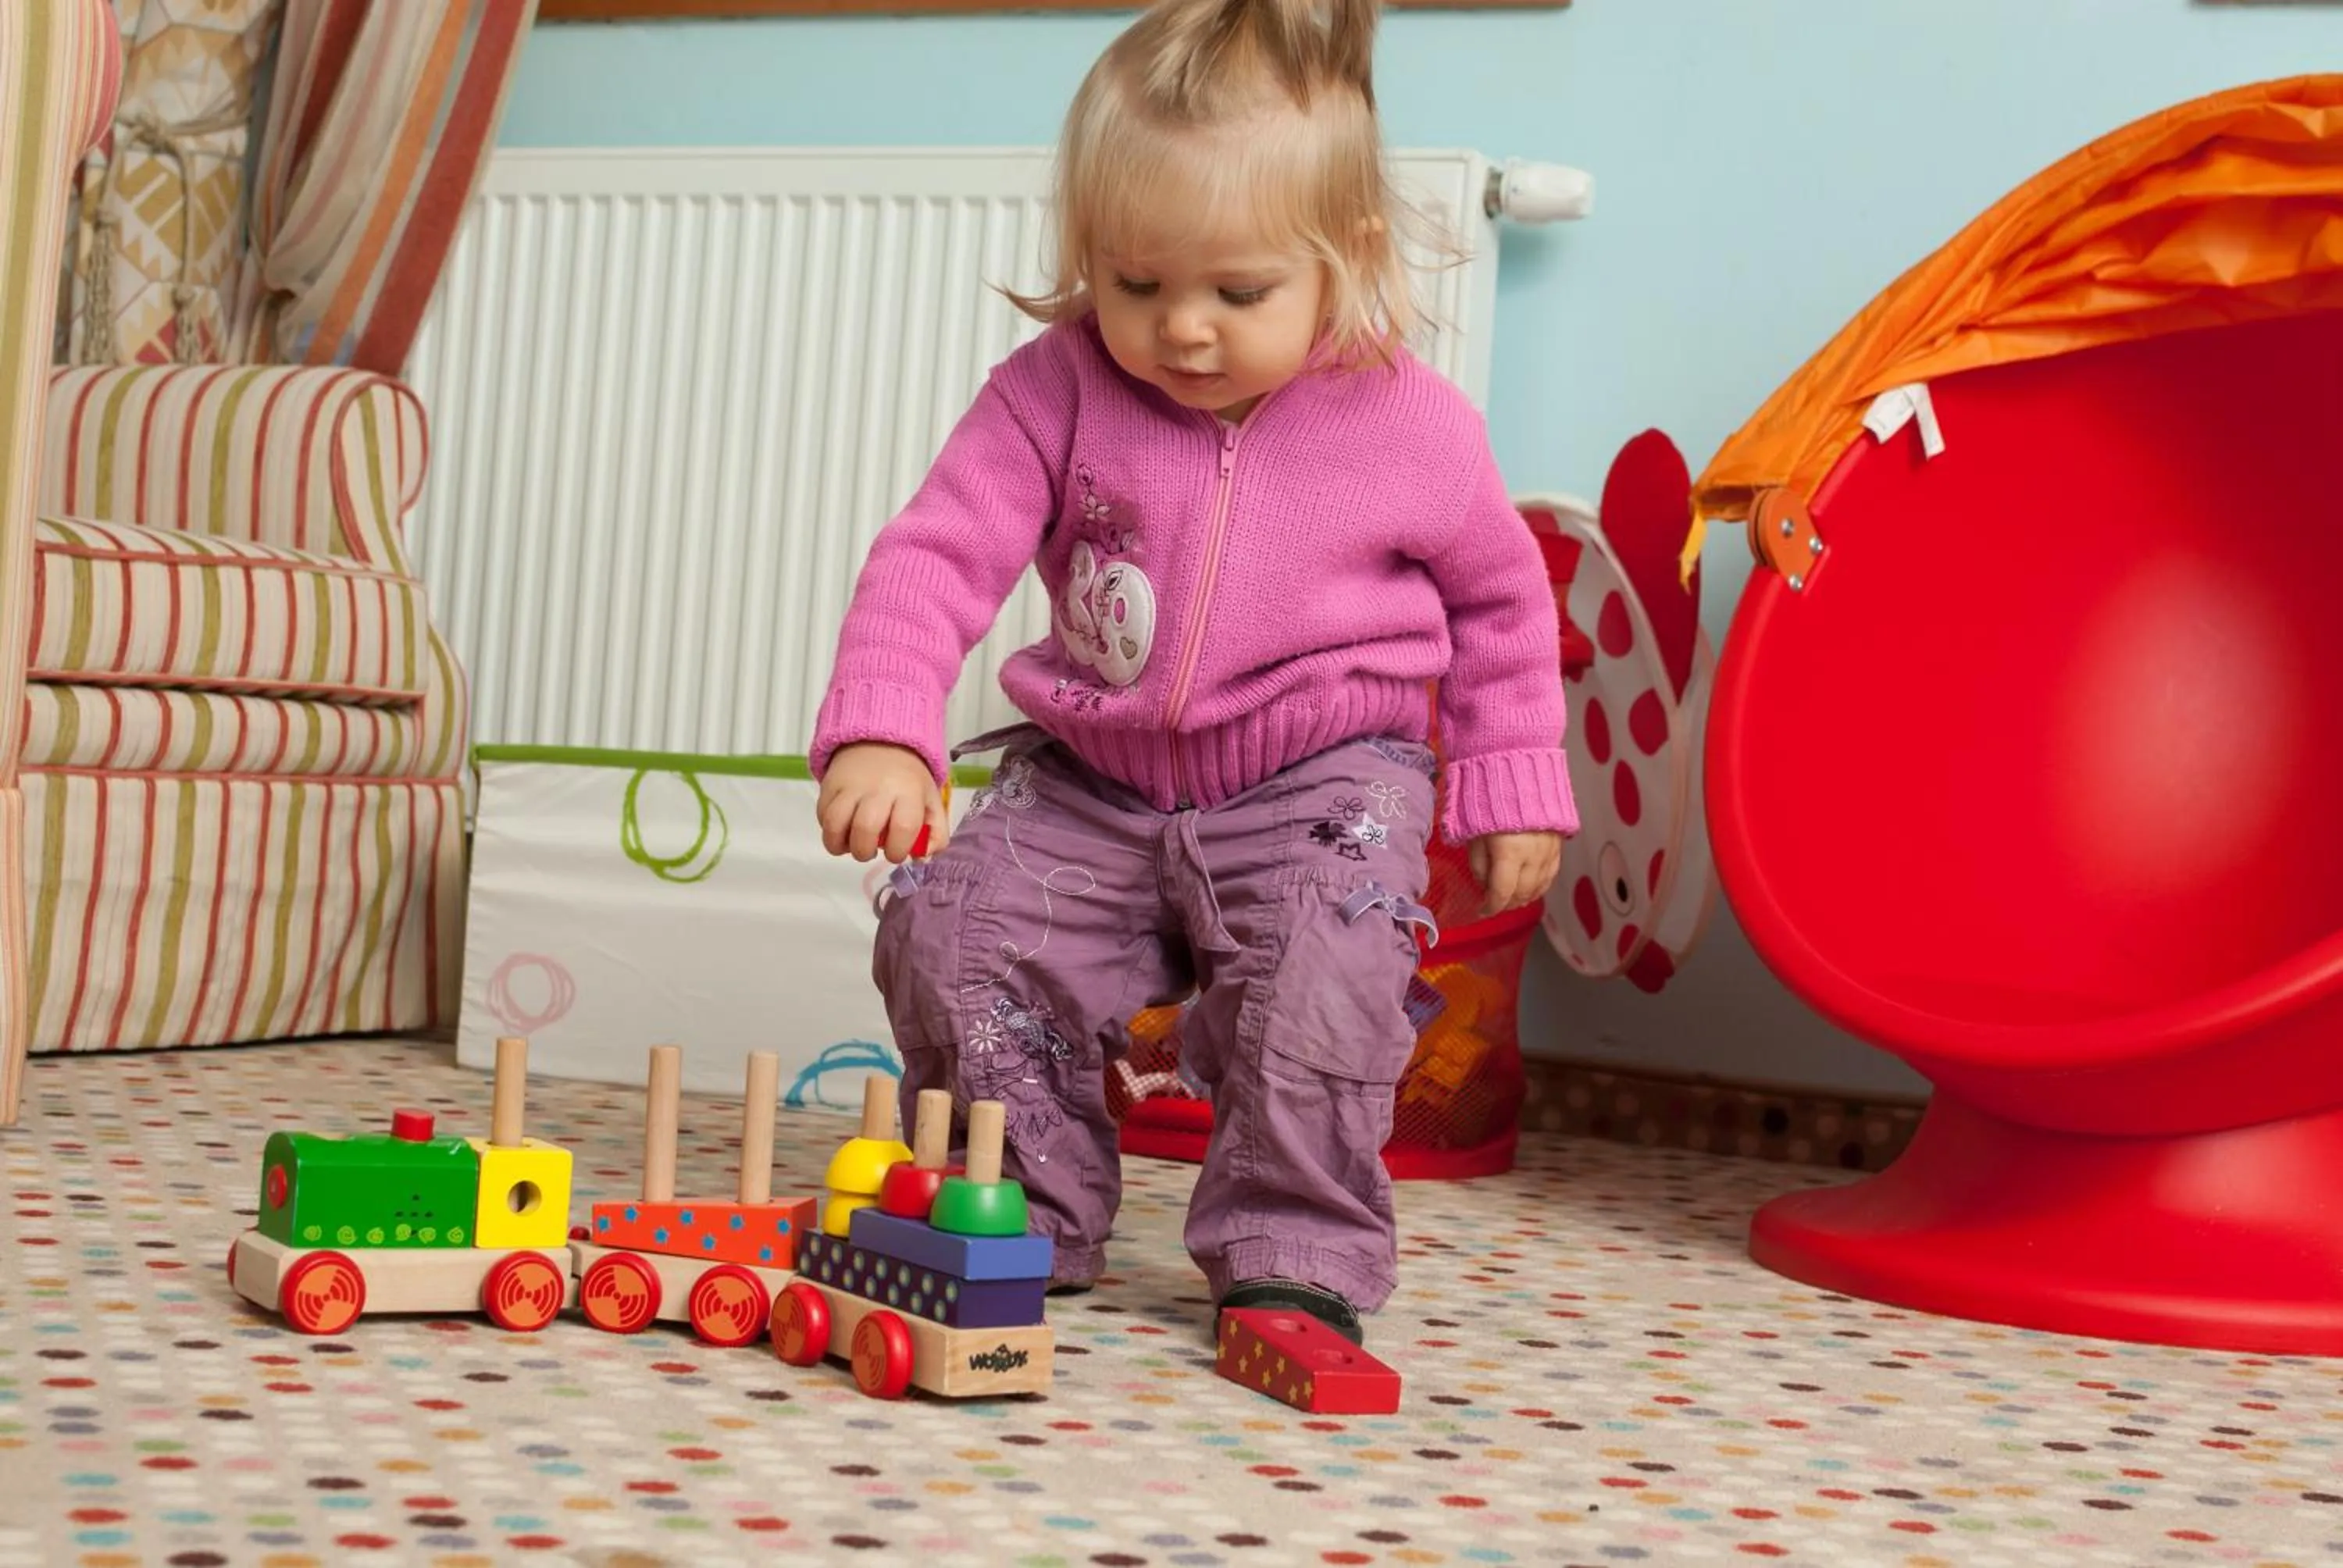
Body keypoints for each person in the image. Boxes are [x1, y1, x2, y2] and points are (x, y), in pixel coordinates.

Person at [809, 0, 1574, 1344]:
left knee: (1331, 964)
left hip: (1324, 778)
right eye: (1137, 284)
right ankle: (1021, 1207)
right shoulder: (1053, 391)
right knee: (951, 929)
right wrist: (883, 725)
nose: (1183, 331)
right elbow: (935, 556)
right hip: (1092, 776)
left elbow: (1503, 604)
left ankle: (1294, 1239)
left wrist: (1513, 777)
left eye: (1239, 292)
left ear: (1348, 254)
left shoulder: (1415, 424)